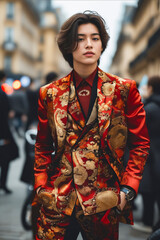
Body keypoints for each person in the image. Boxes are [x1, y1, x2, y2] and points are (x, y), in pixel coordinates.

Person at [33, 11, 150, 240]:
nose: (89, 44)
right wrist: (40, 188)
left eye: (95, 38)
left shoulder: (123, 90)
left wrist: (128, 189)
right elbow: (42, 146)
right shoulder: (49, 93)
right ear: (69, 46)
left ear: (102, 44)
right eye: (80, 38)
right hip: (57, 201)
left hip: (104, 202)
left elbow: (141, 144)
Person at [133, 76, 160, 234]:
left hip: (150, 156)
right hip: (157, 155)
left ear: (150, 88)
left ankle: (149, 222)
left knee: (150, 190)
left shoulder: (148, 109)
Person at [0, 70, 19, 194]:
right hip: (3, 133)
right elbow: (3, 116)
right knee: (5, 159)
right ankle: (3, 184)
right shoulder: (2, 94)